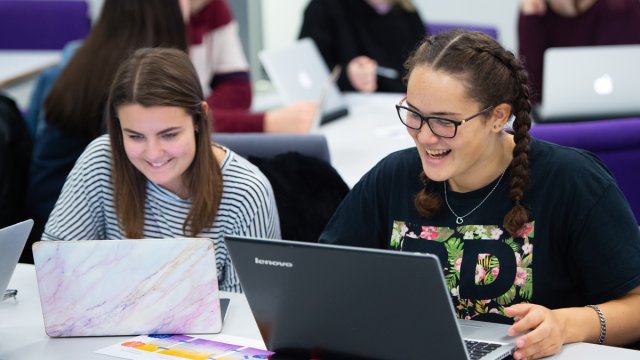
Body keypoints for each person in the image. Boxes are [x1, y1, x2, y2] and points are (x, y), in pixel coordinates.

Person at [320, 30, 640, 359]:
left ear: (497, 116)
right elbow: (320, 282)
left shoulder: (572, 181)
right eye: (414, 114)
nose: (425, 136)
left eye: (445, 122)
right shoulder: (392, 178)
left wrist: (567, 324)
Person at [42, 47, 280, 292]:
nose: (153, 153)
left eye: (169, 135)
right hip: (113, 326)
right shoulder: (102, 160)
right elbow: (54, 271)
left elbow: (251, 313)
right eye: (135, 136)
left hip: (210, 332)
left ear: (199, 119)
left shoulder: (246, 192)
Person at [185, 0, 317, 132]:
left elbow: (239, 91)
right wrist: (266, 123)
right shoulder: (168, 14)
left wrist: (201, 113)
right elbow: (173, 118)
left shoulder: (214, 8)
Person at [518, 0, 640, 103]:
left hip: (622, 119)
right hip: (558, 124)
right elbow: (530, 97)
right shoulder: (533, 11)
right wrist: (530, 19)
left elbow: (627, 80)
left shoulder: (621, 7)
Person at [298, 0, 426, 93]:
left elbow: (423, 64)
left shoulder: (408, 12)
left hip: (399, 104)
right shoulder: (323, 8)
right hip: (349, 106)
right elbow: (305, 70)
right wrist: (346, 75)